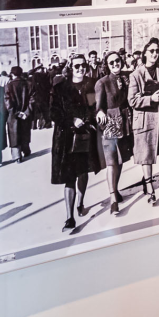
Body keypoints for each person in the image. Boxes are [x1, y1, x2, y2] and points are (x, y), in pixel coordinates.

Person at [50, 54, 103, 232]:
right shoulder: (61, 87)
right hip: (65, 138)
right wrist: (71, 120)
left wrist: (86, 120)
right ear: (71, 68)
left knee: (83, 170)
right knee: (69, 176)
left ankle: (80, 202)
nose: (80, 68)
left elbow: (93, 108)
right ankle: (69, 217)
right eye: (77, 66)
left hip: (85, 134)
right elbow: (54, 112)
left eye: (83, 65)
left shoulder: (90, 85)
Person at [129, 38, 159, 205]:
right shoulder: (135, 74)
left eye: (157, 51)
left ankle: (147, 181)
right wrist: (151, 98)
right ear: (145, 53)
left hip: (158, 118)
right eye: (151, 51)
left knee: (152, 154)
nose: (154, 53)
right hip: (143, 119)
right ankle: (150, 189)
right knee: (146, 156)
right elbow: (132, 100)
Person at [94, 52, 131, 215]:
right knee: (111, 162)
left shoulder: (126, 77)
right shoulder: (102, 82)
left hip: (125, 123)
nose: (115, 64)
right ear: (107, 65)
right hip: (110, 124)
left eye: (117, 61)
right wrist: (100, 112)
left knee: (121, 160)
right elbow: (98, 105)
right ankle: (113, 200)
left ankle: (115, 189)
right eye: (111, 62)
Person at [4, 66, 33, 163]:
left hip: (13, 114)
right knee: (25, 131)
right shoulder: (28, 84)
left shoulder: (9, 85)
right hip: (25, 113)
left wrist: (15, 112)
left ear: (12, 74)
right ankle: (26, 150)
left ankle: (17, 156)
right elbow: (32, 100)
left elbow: (7, 101)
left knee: (14, 134)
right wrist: (26, 111)